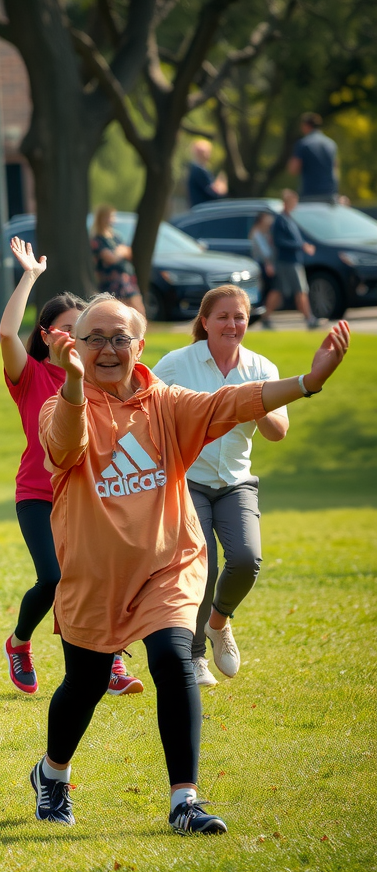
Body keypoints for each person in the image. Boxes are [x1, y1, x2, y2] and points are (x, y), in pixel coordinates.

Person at [31, 294, 349, 834]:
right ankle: (52, 774)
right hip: (95, 575)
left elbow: (235, 401)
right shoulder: (60, 404)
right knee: (83, 686)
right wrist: (73, 384)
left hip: (168, 564)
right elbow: (64, 449)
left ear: (140, 345)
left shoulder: (167, 403)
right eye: (95, 339)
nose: (108, 350)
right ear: (76, 347)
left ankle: (185, 801)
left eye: (120, 339)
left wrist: (307, 382)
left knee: (173, 658)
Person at [0, 240, 143, 698]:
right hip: (39, 496)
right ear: (45, 335)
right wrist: (29, 276)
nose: (76, 338)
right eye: (65, 329)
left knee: (101, 574)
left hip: (90, 494)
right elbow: (5, 334)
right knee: (55, 576)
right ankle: (19, 642)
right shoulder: (33, 377)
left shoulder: (101, 378)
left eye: (80, 330)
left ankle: (111, 661)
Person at [152, 286, 288, 687]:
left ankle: (218, 623)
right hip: (188, 478)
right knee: (202, 562)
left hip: (235, 481)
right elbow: (145, 404)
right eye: (224, 316)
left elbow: (278, 432)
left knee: (247, 559)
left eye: (240, 317)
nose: (232, 324)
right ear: (205, 321)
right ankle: (194, 656)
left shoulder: (261, 367)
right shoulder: (178, 363)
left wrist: (255, 402)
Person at [263, 190, 318, 330]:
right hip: (287, 261)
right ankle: (309, 319)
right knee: (300, 290)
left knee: (279, 290)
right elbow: (279, 241)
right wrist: (301, 246)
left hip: (292, 260)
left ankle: (265, 317)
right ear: (286, 203)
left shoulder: (288, 219)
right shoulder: (280, 220)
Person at [90, 205, 146, 317]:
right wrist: (120, 251)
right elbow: (110, 258)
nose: (113, 219)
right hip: (111, 281)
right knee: (117, 311)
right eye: (110, 216)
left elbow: (129, 252)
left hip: (126, 277)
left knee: (138, 309)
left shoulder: (116, 236)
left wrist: (118, 252)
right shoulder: (97, 239)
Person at [288, 113, 339, 202]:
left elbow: (293, 169)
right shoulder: (331, 144)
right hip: (330, 195)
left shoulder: (304, 144)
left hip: (310, 194)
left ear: (306, 125)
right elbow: (335, 169)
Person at [187, 139, 228, 208]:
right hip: (203, 210)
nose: (207, 155)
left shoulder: (199, 170)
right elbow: (212, 194)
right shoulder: (198, 171)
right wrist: (221, 188)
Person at [249, 210, 275, 298]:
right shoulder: (256, 233)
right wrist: (268, 263)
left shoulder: (266, 232)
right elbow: (264, 251)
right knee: (264, 286)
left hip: (266, 263)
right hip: (261, 264)